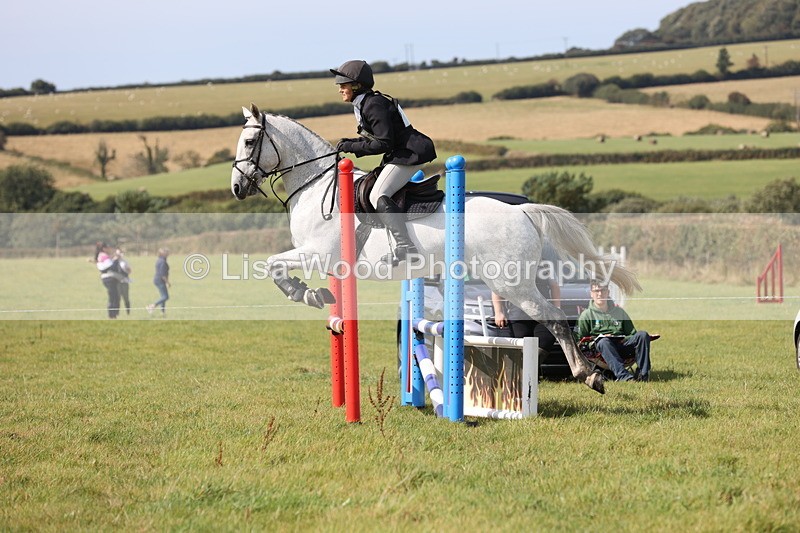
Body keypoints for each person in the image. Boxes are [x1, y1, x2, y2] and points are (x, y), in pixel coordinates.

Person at [331, 60, 437, 265]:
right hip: (401, 153)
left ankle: (406, 246)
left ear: (356, 85)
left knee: (378, 193)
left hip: (410, 153)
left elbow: (383, 143)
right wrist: (349, 143)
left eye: (343, 85)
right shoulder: (365, 103)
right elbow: (378, 140)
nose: (340, 90)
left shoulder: (373, 104)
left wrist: (351, 148)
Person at [492, 240, 561, 359]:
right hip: (519, 315)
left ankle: (530, 373)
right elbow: (496, 290)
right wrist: (499, 312)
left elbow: (554, 286)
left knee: (545, 341)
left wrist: (557, 308)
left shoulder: (545, 265)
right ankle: (527, 375)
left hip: (543, 315)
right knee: (523, 347)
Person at [576, 279, 652, 382]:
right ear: (591, 294)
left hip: (622, 346)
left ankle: (643, 375)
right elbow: (580, 340)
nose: (600, 294)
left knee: (642, 335)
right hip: (601, 350)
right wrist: (596, 339)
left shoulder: (619, 312)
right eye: (596, 291)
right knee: (604, 341)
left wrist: (623, 339)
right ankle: (624, 376)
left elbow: (632, 334)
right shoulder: (586, 315)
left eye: (603, 290)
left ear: (608, 292)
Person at [94, 241, 122, 319]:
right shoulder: (103, 256)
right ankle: (112, 315)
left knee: (114, 296)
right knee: (113, 297)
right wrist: (116, 259)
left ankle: (113, 314)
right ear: (104, 248)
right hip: (109, 278)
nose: (109, 249)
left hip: (107, 278)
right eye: (107, 247)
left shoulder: (101, 256)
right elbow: (110, 267)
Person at [146, 248, 170, 317]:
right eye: (166, 252)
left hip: (158, 280)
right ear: (162, 254)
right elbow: (163, 274)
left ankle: (163, 312)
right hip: (160, 280)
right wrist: (167, 282)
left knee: (163, 296)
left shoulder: (160, 260)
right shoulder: (162, 262)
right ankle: (152, 306)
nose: (167, 253)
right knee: (166, 297)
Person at [116, 248, 132, 315]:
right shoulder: (113, 261)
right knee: (117, 298)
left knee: (126, 298)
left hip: (124, 281)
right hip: (116, 282)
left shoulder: (124, 262)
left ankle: (128, 312)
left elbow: (130, 271)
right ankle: (117, 313)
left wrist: (127, 269)